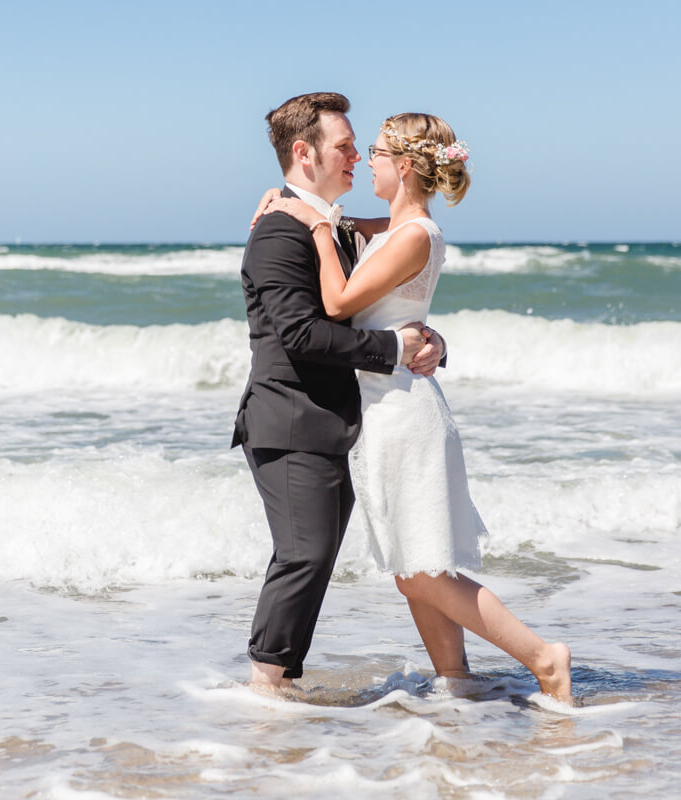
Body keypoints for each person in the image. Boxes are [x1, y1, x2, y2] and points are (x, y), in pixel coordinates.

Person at [258, 113, 573, 704]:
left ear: (403, 165)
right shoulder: (395, 228)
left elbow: (337, 299)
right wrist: (289, 201)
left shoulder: (414, 234)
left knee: (422, 570)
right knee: (417, 569)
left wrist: (318, 232)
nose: (363, 162)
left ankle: (542, 656)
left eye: (373, 152)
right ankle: (455, 681)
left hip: (402, 412)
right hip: (386, 407)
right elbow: (347, 226)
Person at [232, 93, 446, 691]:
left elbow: (381, 288)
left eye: (359, 146)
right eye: (344, 146)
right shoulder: (279, 230)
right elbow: (302, 333)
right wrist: (397, 350)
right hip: (288, 417)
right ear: (304, 153)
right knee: (304, 554)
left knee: (314, 553)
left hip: (325, 421)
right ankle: (264, 690)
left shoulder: (327, 225)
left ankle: (279, 684)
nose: (356, 156)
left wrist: (428, 340)